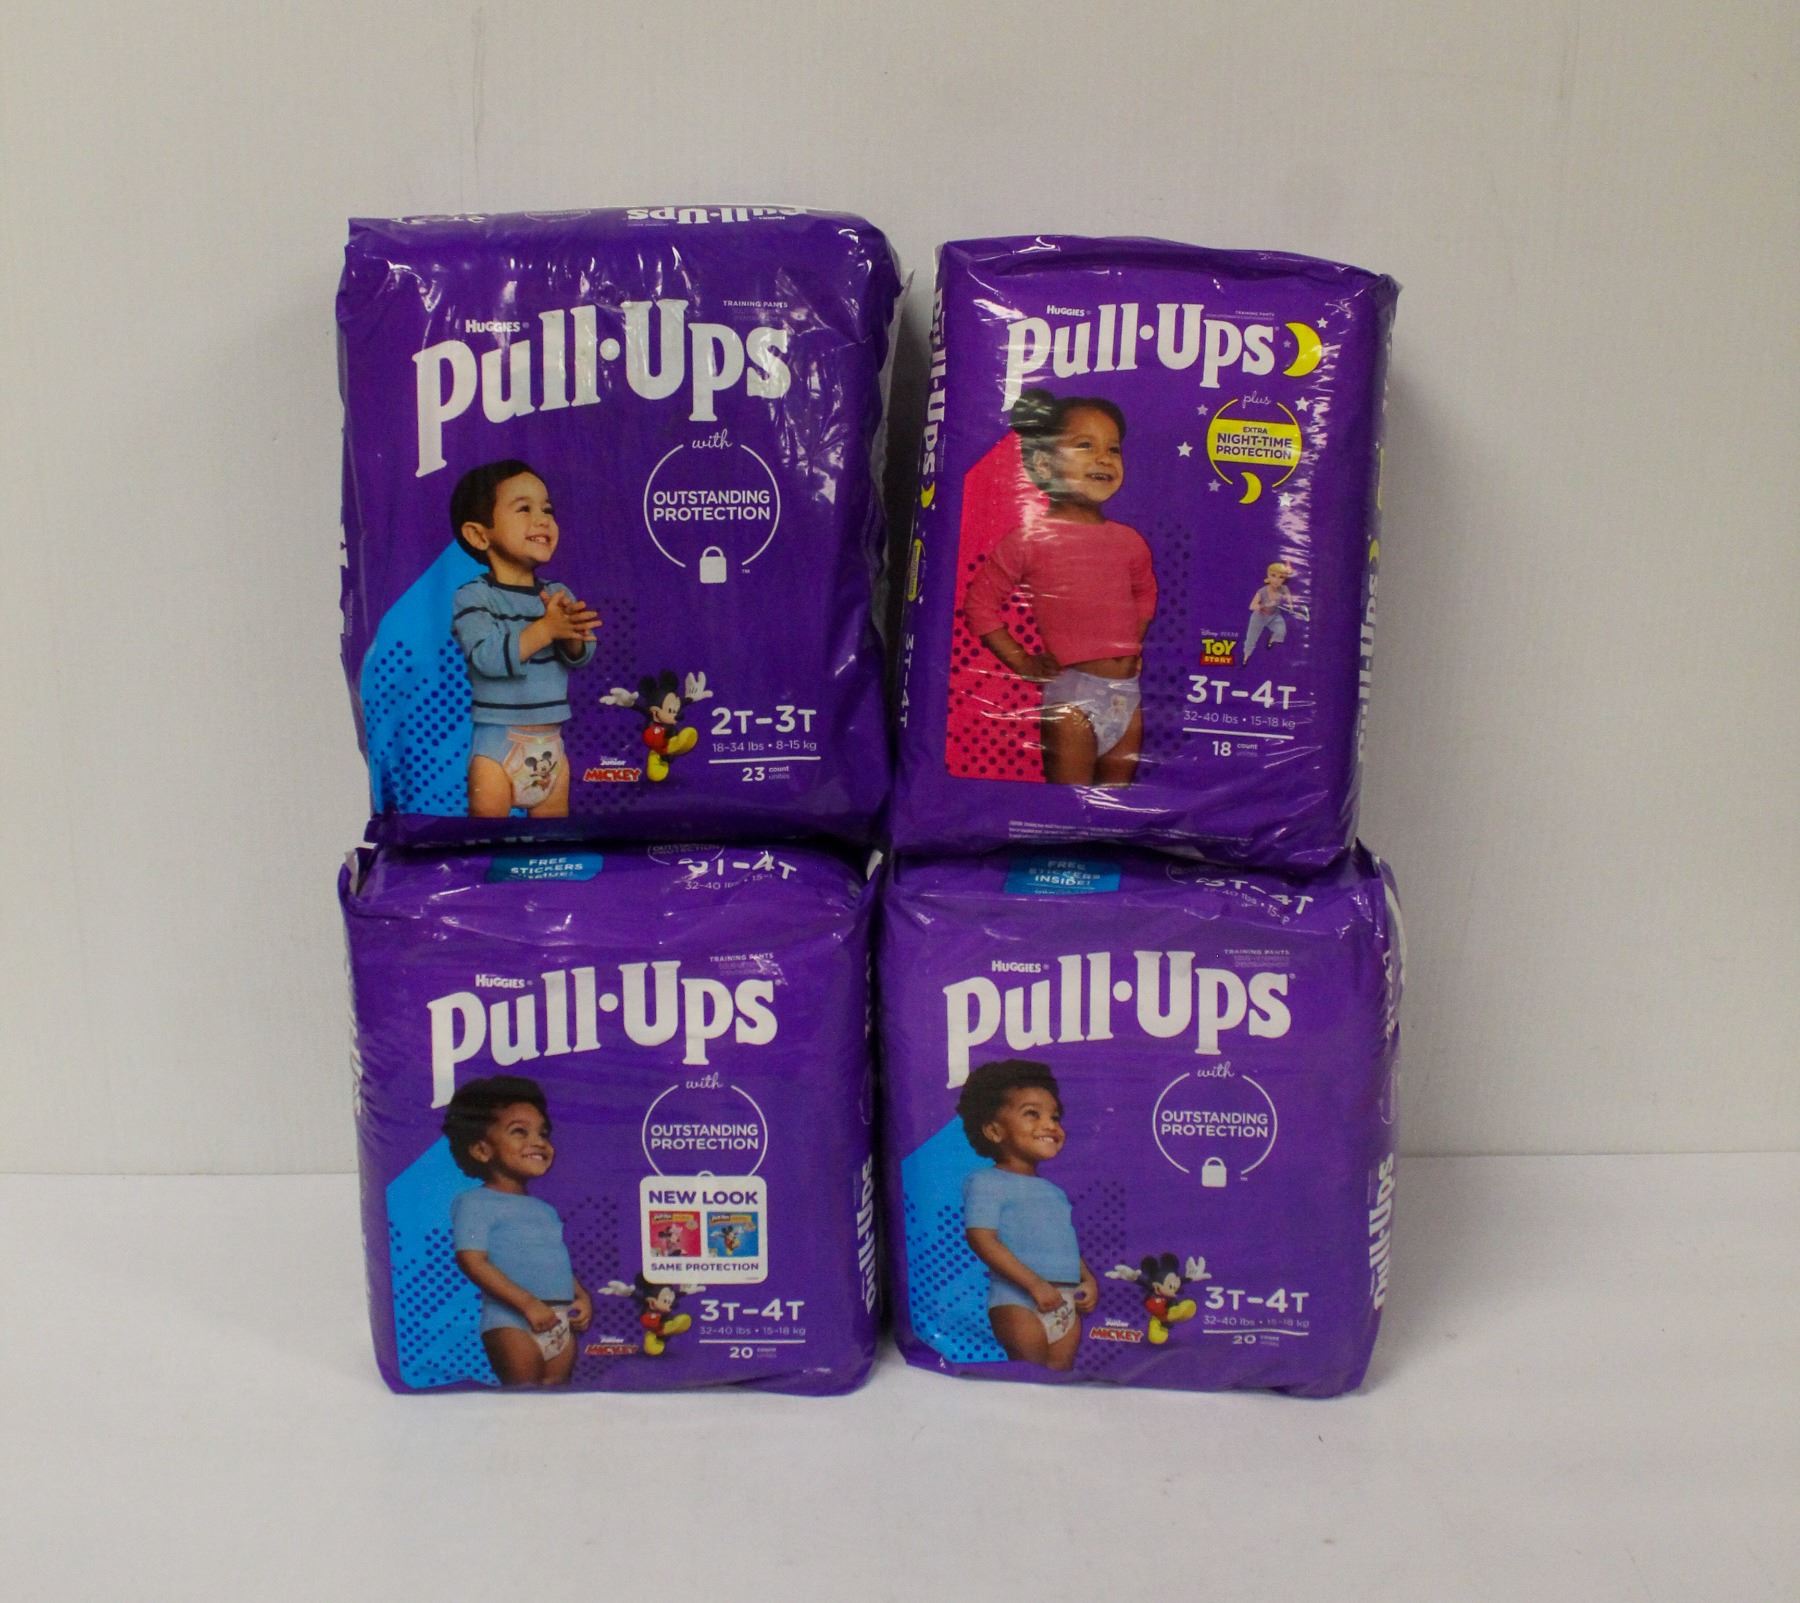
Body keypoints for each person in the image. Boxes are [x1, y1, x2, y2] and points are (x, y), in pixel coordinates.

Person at [963, 389, 1157, 785]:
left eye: (1113, 449)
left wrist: (1132, 645)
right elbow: (980, 604)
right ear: (1043, 462)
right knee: (1069, 801)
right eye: (1085, 446)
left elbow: (1144, 594)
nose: (1104, 458)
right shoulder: (1030, 539)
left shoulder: (1130, 541)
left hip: (1127, 694)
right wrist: (1022, 662)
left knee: (1115, 804)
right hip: (1073, 698)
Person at [449, 460, 599, 818]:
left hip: (551, 746)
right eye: (524, 509)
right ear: (479, 535)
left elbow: (580, 656)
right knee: (490, 837)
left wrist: (573, 636)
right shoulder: (474, 597)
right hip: (497, 746)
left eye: (547, 509)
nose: (543, 519)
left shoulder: (556, 594)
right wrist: (545, 630)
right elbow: (485, 658)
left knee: (551, 837)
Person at [444, 1075, 592, 1387]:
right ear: (482, 1150)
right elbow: (472, 1261)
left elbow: (553, 1260)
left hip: (559, 1318)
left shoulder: (545, 1210)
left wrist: (580, 1296)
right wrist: (527, 1304)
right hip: (512, 1320)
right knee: (523, 1394)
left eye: (543, 1133)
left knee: (557, 1396)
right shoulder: (474, 1203)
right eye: (519, 1132)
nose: (538, 1142)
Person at [956, 1059, 1098, 1370]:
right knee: (1028, 1375)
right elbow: (982, 1239)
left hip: (1065, 1300)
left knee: (1057, 1382)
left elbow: (1065, 1244)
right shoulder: (987, 1182)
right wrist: (1034, 1284)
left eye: (1054, 1117)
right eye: (1033, 1114)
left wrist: (1088, 1279)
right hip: (1018, 1299)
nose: (1050, 1125)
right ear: (994, 1130)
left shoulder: (1055, 1192)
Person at [1242, 561, 1295, 663]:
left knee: (1281, 631)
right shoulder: (1262, 591)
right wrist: (1265, 605)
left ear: (1284, 579)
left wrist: (1291, 607)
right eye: (1273, 575)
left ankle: (1271, 640)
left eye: (1281, 577)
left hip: (1274, 616)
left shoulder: (1284, 588)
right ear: (1268, 575)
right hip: (1259, 617)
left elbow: (1288, 598)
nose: (1276, 580)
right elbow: (1251, 606)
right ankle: (1246, 656)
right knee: (1251, 639)